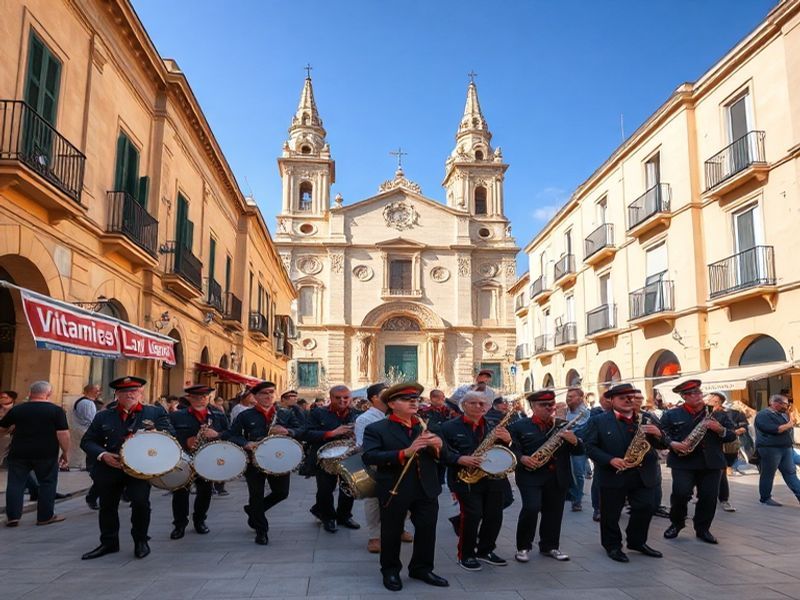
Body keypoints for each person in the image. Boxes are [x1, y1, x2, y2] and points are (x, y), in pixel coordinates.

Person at [362, 383, 449, 591]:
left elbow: (446, 455)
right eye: (406, 399)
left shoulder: (427, 426)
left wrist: (439, 446)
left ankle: (421, 568)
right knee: (391, 531)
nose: (413, 402)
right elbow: (370, 456)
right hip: (395, 487)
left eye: (416, 399)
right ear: (392, 404)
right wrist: (404, 453)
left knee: (427, 530)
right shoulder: (376, 428)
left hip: (426, 487)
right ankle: (390, 570)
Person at [80, 376, 174, 559]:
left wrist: (155, 434)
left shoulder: (154, 412)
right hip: (110, 467)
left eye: (133, 391)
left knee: (140, 503)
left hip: (140, 468)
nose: (129, 394)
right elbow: (88, 441)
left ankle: (141, 541)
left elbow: (170, 434)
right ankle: (108, 543)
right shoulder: (103, 416)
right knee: (107, 506)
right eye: (124, 392)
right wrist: (103, 455)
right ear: (117, 394)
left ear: (141, 393)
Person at [583, 383, 666, 562]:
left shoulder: (647, 418)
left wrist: (659, 434)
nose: (628, 400)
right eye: (622, 398)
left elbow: (663, 443)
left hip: (643, 474)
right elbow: (589, 447)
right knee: (610, 513)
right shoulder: (598, 421)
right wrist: (610, 460)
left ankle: (637, 542)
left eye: (631, 397)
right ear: (611, 400)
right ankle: (612, 546)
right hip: (613, 473)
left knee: (646, 507)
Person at [225, 380, 304, 545]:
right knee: (256, 495)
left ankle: (253, 511)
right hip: (254, 461)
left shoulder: (285, 414)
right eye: (264, 393)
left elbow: (302, 430)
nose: (268, 396)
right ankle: (261, 531)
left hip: (279, 459)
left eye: (271, 392)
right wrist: (246, 443)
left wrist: (288, 431)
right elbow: (232, 435)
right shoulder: (245, 415)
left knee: (281, 493)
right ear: (255, 396)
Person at [440, 391, 512, 571]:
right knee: (472, 516)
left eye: (483, 403)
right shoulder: (448, 427)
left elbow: (509, 449)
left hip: (493, 477)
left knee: (494, 516)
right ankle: (466, 555)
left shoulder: (494, 424)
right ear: (464, 405)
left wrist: (508, 440)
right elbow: (441, 453)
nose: (479, 406)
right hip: (465, 478)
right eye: (474, 403)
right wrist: (459, 459)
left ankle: (486, 551)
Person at [508, 390, 581, 563]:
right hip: (530, 475)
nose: (549, 407)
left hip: (557, 476)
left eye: (551, 404)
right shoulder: (519, 426)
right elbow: (511, 449)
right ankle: (523, 547)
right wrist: (522, 458)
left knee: (554, 512)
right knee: (531, 508)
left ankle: (550, 546)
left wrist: (575, 441)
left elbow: (579, 451)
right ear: (533, 406)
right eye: (543, 405)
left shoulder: (563, 425)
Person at [660, 379, 734, 545]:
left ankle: (703, 529)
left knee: (708, 497)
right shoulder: (671, 414)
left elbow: (731, 435)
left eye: (698, 392)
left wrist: (720, 429)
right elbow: (662, 435)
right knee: (680, 494)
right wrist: (672, 443)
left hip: (711, 462)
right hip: (683, 462)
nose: (697, 396)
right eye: (691, 394)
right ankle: (676, 523)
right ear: (684, 397)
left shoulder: (718, 414)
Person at [0, 381, 70, 527]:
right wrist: (65, 452)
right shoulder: (56, 411)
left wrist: (8, 431)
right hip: (46, 453)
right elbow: (63, 434)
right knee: (47, 483)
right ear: (48, 393)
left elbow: (2, 428)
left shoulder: (18, 409)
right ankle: (45, 517)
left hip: (19, 452)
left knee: (15, 483)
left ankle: (13, 517)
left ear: (30, 393)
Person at [355, 382, 411, 553]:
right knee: (373, 500)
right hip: (376, 465)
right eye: (386, 393)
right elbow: (363, 446)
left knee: (403, 497)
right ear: (374, 398)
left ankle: (399, 528)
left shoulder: (398, 414)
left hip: (401, 462)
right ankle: (374, 536)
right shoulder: (365, 419)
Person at [168, 384, 229, 540]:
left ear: (208, 398)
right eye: (195, 397)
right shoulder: (177, 416)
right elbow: (168, 437)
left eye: (203, 397)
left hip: (208, 460)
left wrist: (217, 434)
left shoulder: (218, 415)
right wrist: (185, 441)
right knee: (180, 492)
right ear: (189, 398)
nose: (200, 400)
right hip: (184, 460)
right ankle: (179, 524)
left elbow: (229, 434)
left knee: (205, 491)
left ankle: (200, 520)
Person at [303, 385, 361, 533]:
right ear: (330, 398)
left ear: (350, 398)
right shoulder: (317, 412)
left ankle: (344, 516)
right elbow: (307, 433)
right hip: (325, 458)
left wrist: (355, 434)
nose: (342, 401)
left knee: (349, 487)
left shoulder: (358, 414)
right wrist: (332, 433)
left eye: (346, 397)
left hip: (349, 456)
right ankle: (328, 517)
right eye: (338, 398)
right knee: (325, 489)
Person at [754, 393, 800, 506]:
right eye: (785, 404)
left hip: (786, 448)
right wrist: (789, 425)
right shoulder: (763, 415)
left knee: (790, 473)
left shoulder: (782, 415)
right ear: (775, 403)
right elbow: (774, 429)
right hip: (770, 449)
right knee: (768, 474)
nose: (787, 406)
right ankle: (765, 498)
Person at [707, 392, 747, 512]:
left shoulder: (724, 415)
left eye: (711, 400)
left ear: (718, 402)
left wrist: (721, 429)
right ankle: (702, 496)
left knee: (721, 474)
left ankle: (724, 499)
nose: (708, 401)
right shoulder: (702, 413)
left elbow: (731, 431)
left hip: (721, 447)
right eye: (708, 399)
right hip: (704, 449)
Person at [72, 384, 101, 509]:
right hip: (86, 431)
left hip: (82, 430)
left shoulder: (83, 402)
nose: (99, 392)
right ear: (92, 391)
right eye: (97, 390)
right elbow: (93, 419)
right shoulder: (87, 403)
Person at [564, 387, 591, 512]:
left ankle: (577, 500)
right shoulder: (564, 411)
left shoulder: (585, 413)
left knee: (578, 474)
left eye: (571, 396)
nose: (568, 398)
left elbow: (581, 430)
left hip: (577, 448)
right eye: (567, 396)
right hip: (563, 447)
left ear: (580, 398)